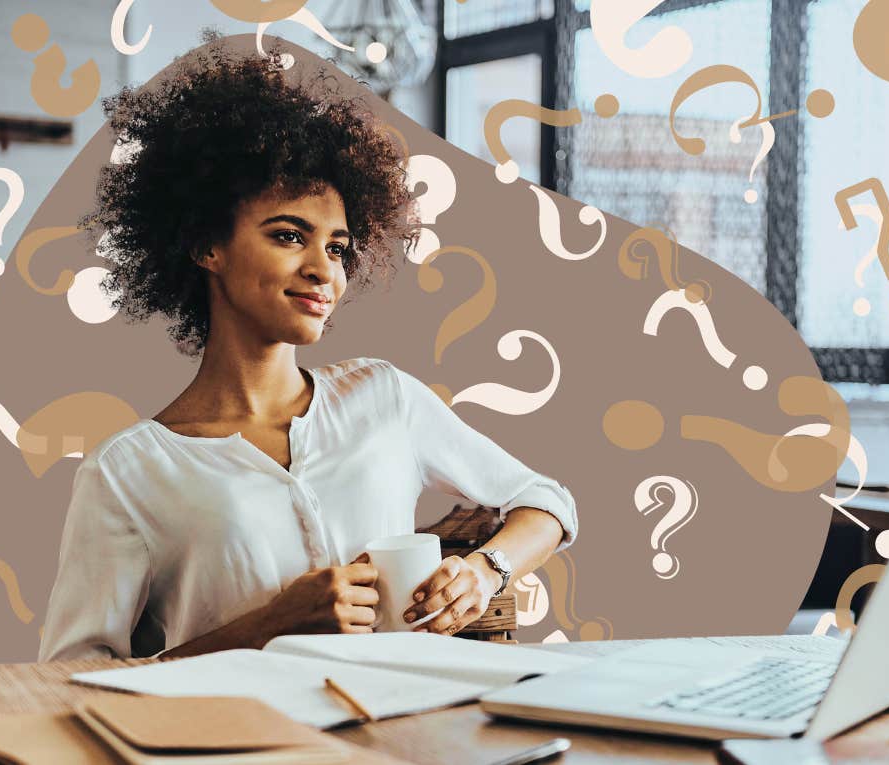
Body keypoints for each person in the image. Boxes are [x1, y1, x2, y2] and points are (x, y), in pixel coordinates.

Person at [38, 39, 577, 662]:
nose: (325, 270)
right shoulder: (128, 473)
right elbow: (74, 674)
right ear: (206, 246)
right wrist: (269, 625)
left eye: (339, 247)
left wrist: (485, 571)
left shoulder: (384, 398)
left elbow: (548, 502)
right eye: (290, 236)